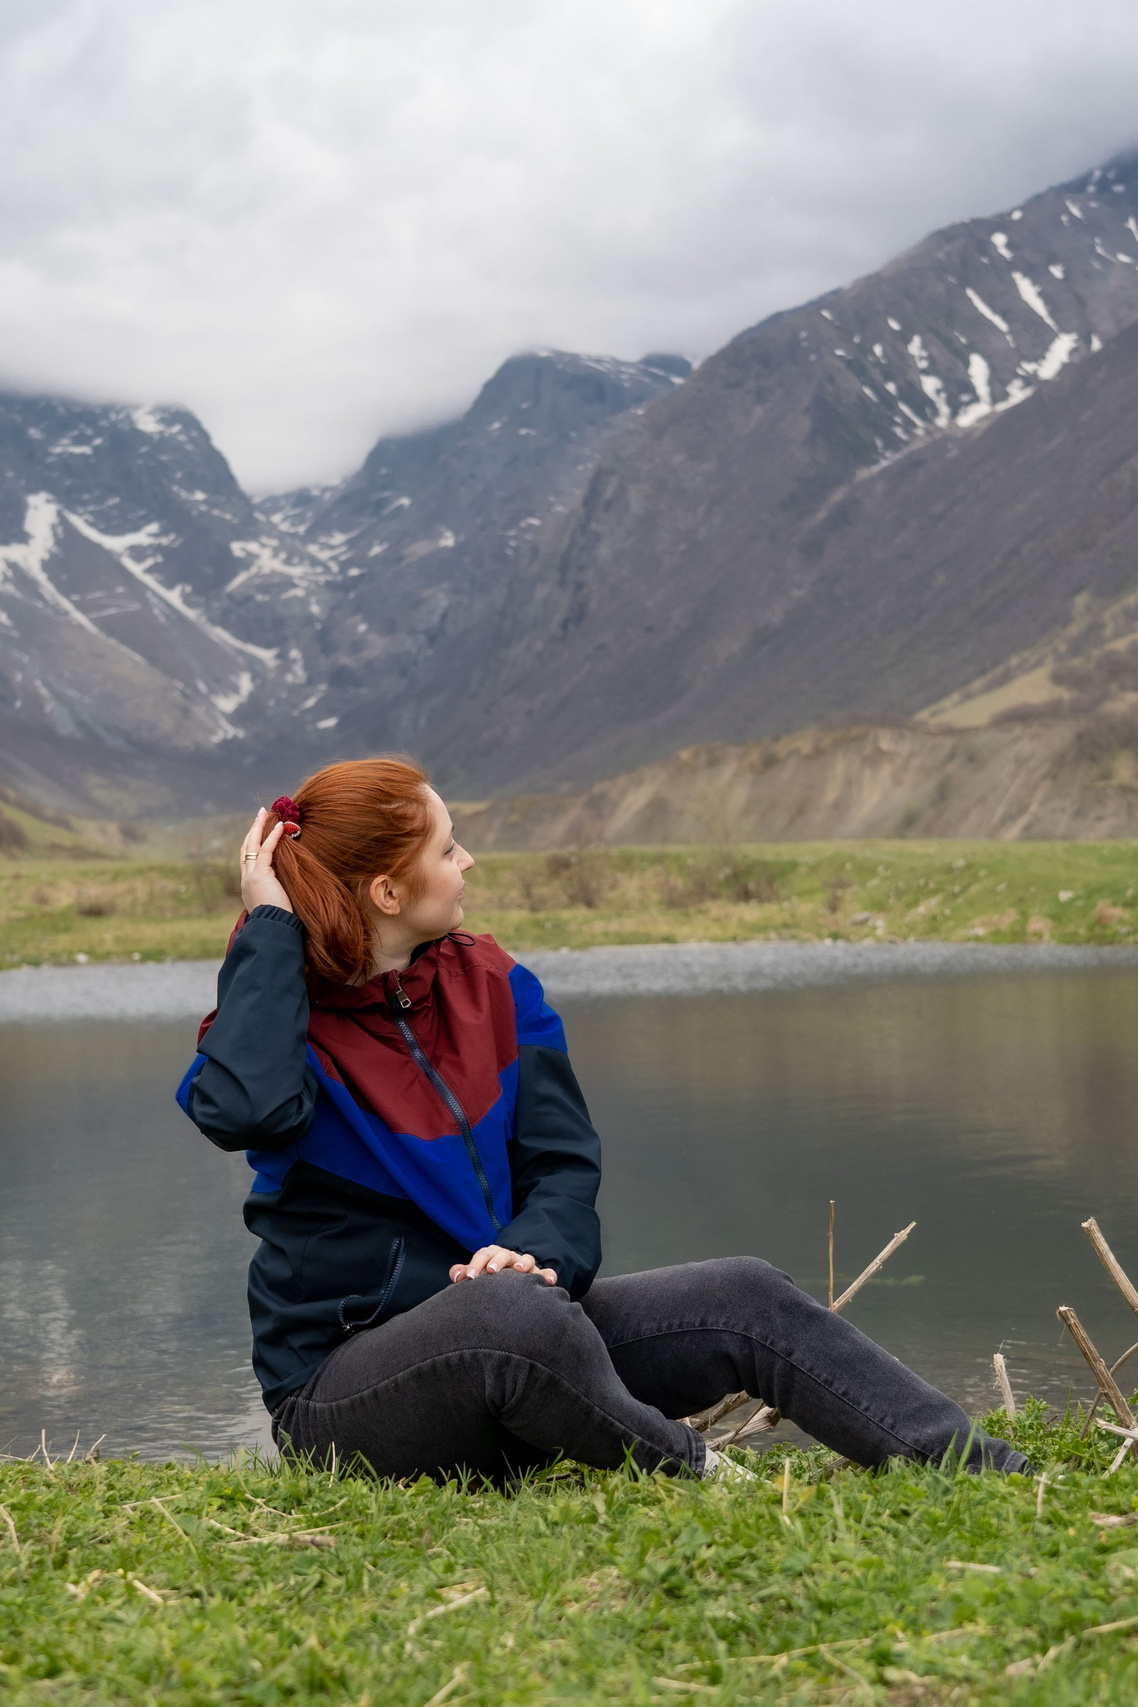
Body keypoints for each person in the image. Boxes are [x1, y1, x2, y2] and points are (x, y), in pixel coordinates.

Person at [177, 757, 1029, 1483]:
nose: (468, 860)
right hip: (344, 1396)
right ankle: (695, 1470)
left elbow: (562, 1165)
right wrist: (272, 926)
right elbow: (247, 1108)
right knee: (509, 1318)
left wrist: (533, 1253)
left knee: (743, 1292)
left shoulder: (495, 984)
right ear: (389, 890)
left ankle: (976, 1469)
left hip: (526, 1338)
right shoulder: (279, 1016)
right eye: (447, 847)